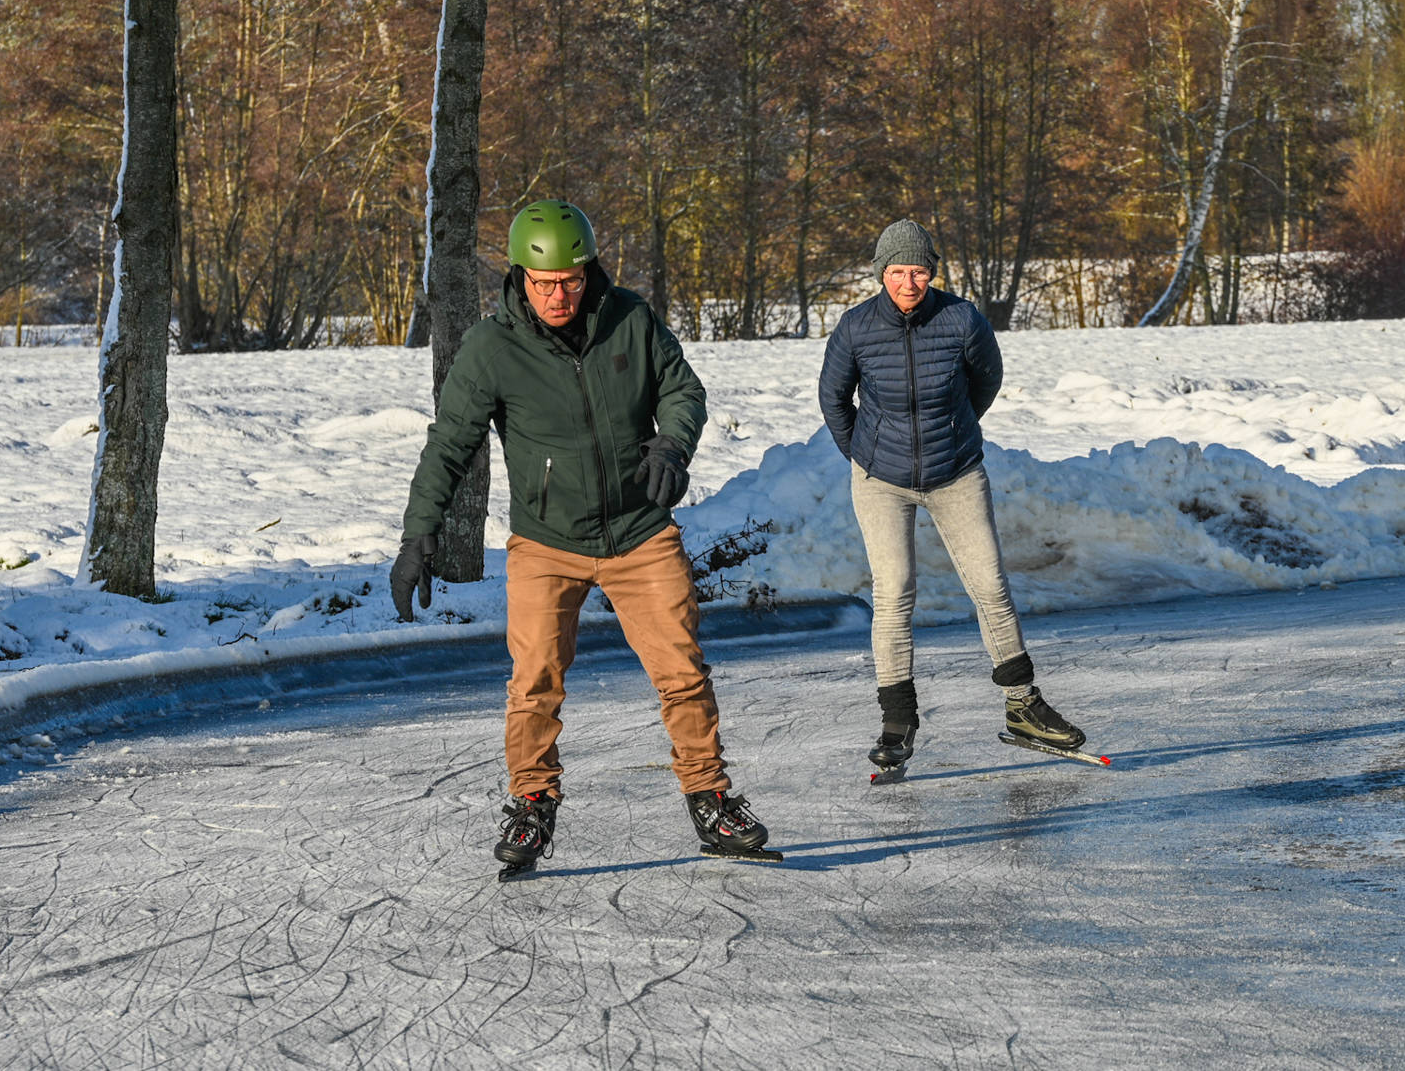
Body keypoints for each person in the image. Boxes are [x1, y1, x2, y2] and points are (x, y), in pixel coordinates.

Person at [390, 199, 771, 869]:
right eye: (543, 284)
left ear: (588, 269)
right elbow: (450, 443)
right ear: (517, 278)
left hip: (639, 529)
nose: (558, 295)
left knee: (681, 670)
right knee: (533, 678)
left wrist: (671, 447)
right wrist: (418, 534)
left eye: (569, 279)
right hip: (546, 541)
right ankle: (532, 805)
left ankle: (710, 798)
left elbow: (683, 391)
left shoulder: (630, 319)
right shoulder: (490, 347)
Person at [817, 218, 1086, 775]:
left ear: (932, 272)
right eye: (897, 272)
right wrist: (863, 454)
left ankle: (1023, 706)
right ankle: (898, 720)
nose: (908, 283)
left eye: (917, 271)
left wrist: (954, 433)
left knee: (990, 585)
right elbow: (834, 399)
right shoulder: (855, 328)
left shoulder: (962, 319)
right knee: (893, 595)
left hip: (956, 470)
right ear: (880, 274)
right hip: (880, 478)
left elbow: (985, 382)